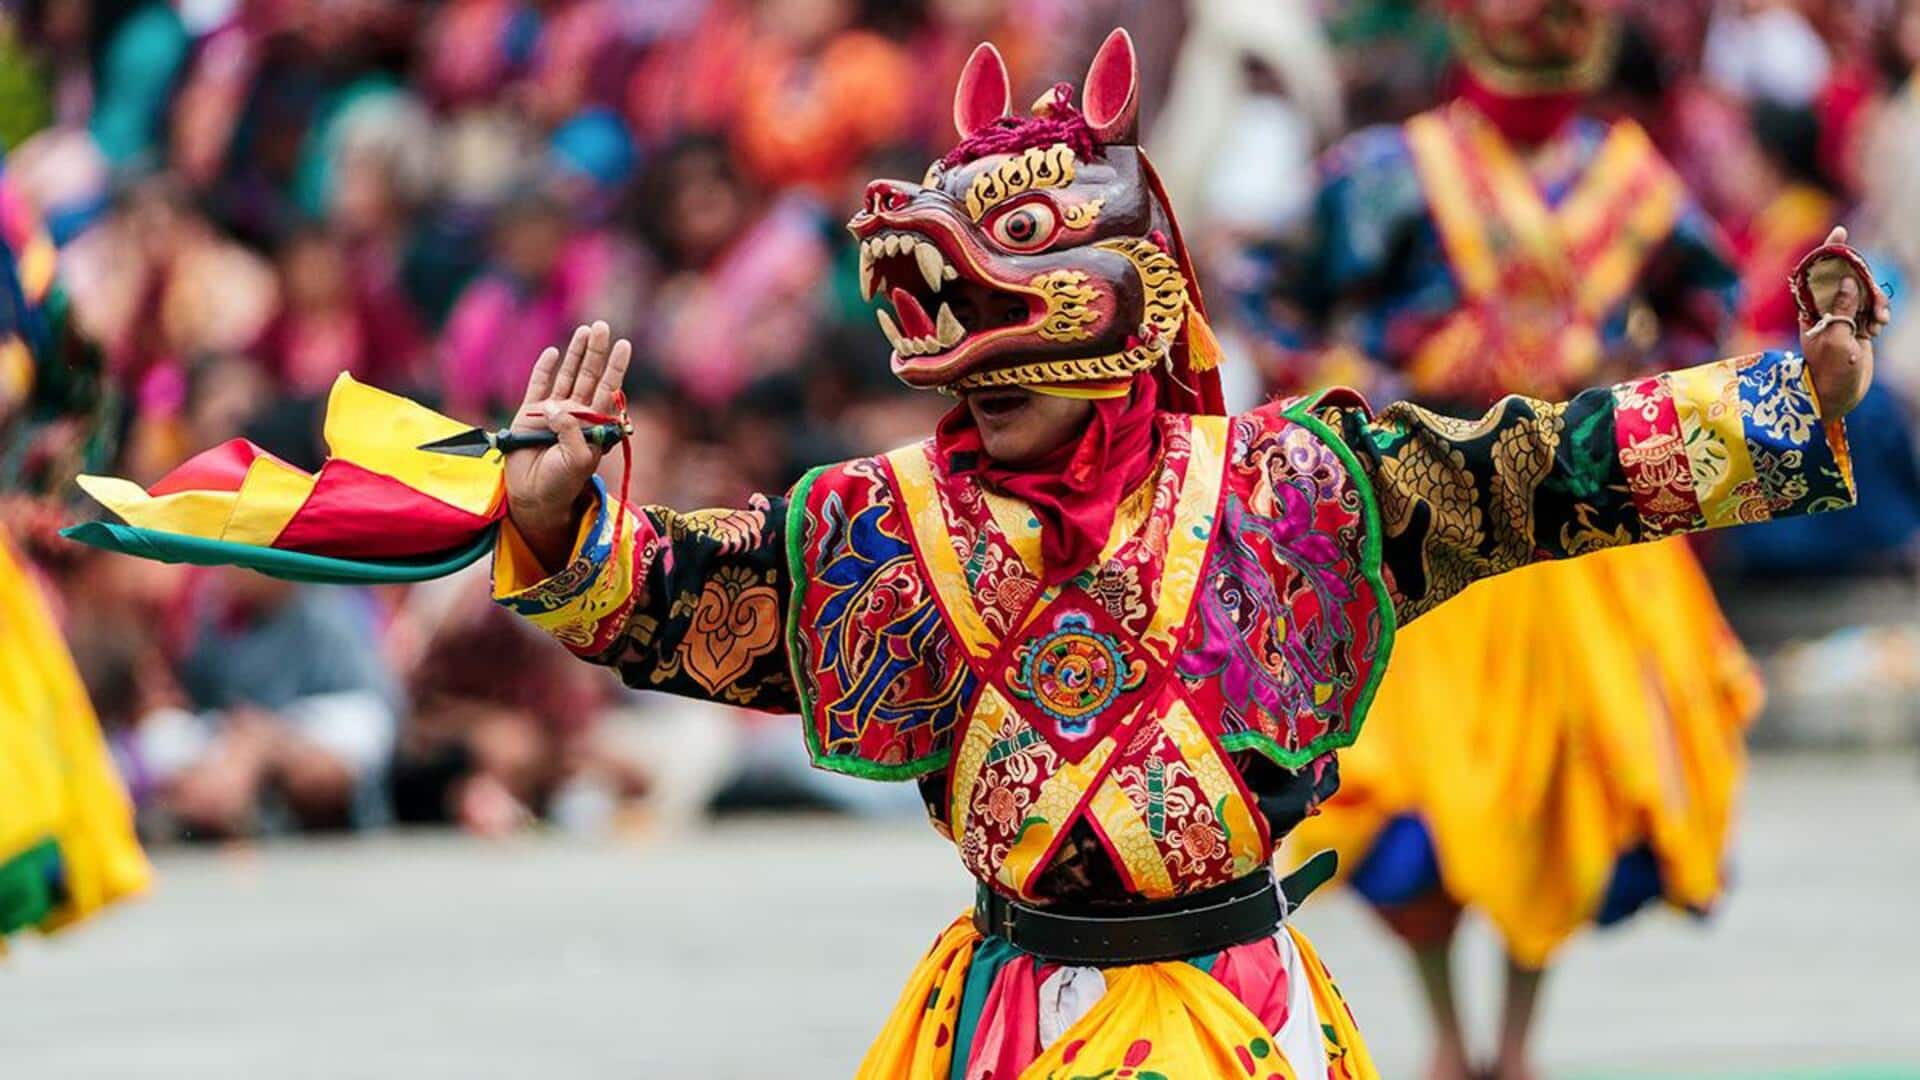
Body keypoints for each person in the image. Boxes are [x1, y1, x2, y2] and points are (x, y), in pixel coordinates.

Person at [486, 31, 1879, 1077]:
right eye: (962, 365)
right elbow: (697, 601)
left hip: (1238, 1009)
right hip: (1025, 1017)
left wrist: (1781, 402)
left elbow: (1542, 473)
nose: (983, 388)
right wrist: (561, 523)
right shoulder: (882, 525)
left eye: (1018, 337)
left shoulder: (1296, 488)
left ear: (1131, 317)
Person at [1245, 3, 1809, 1077]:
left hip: (1579, 529)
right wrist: (1347, 385)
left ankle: (1512, 1041)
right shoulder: (1389, 171)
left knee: (1563, 790)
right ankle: (1451, 1036)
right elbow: (1276, 290)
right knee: (1404, 798)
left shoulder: (1633, 182)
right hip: (1423, 516)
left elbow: (1711, 308)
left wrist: (1640, 401)